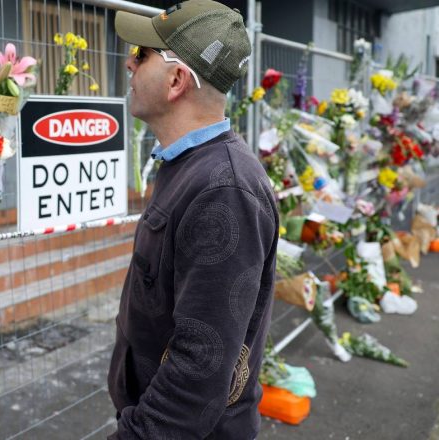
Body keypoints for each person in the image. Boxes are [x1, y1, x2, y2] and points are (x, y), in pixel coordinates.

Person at [107, 1, 278, 438]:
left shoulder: (224, 189)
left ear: (177, 80)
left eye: (142, 54)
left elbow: (198, 368)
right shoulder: (191, 166)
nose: (130, 62)